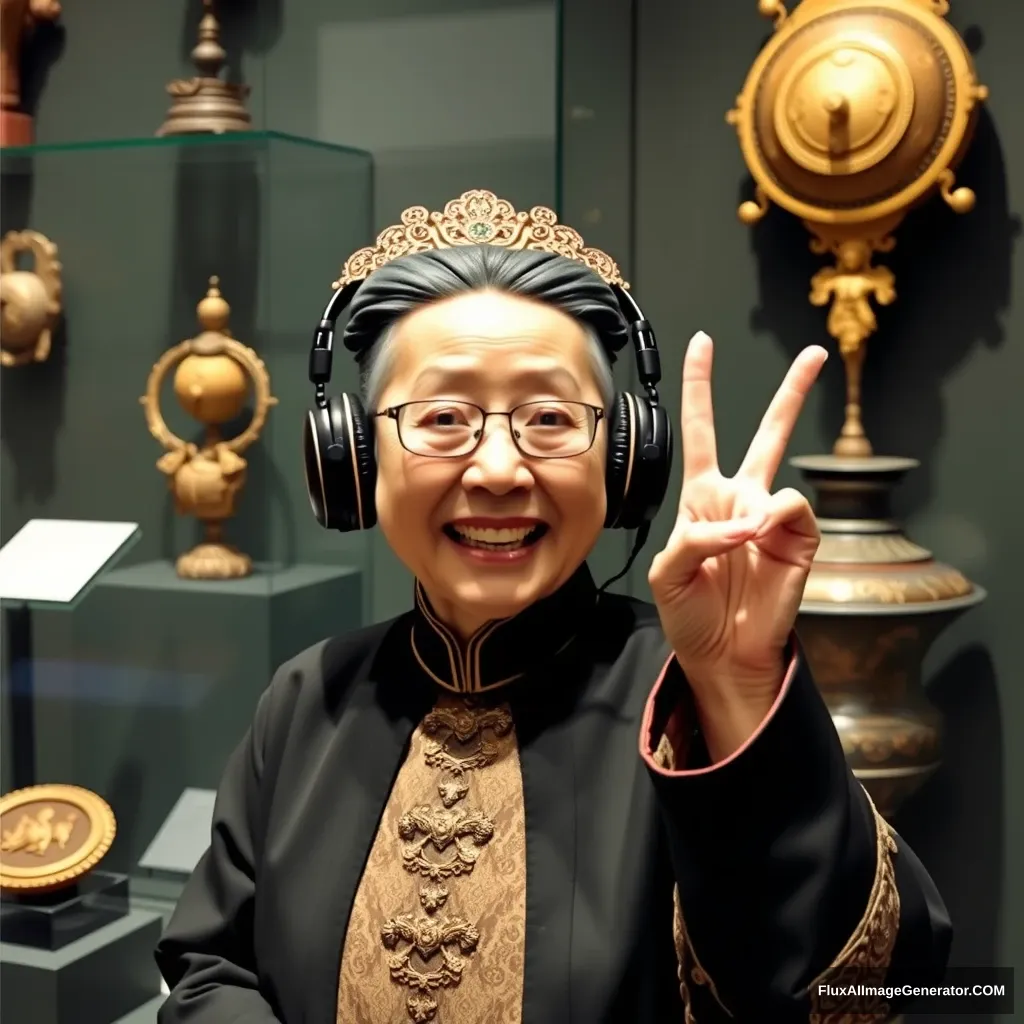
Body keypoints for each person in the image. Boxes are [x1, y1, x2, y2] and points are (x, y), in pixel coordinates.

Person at [154, 191, 951, 1023]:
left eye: (547, 418)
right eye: (443, 417)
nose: (498, 469)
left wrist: (742, 691)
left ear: (623, 456)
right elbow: (210, 966)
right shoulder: (305, 698)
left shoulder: (693, 702)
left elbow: (889, 987)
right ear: (354, 457)